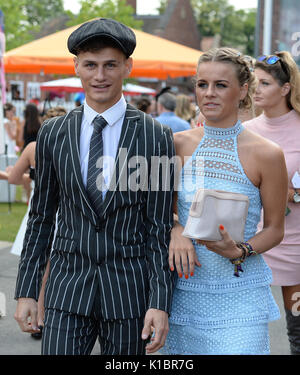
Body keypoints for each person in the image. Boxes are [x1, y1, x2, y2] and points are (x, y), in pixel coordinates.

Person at [14, 18, 175, 355]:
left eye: (110, 65)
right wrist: (27, 290)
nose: (99, 76)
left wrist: (160, 302)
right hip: (67, 290)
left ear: (127, 67)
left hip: (130, 294)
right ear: (76, 67)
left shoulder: (155, 135)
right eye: (90, 65)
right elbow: (41, 218)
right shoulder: (53, 133)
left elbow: (159, 226)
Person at [161, 47, 288, 355]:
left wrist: (240, 250)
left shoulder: (268, 154)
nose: (209, 94)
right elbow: (156, 211)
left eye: (221, 85)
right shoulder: (174, 144)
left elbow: (274, 228)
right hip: (181, 292)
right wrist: (176, 228)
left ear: (243, 89)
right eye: (202, 84)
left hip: (240, 293)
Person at [244, 51, 300, 355]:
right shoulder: (247, 131)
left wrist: (294, 195)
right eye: (255, 82)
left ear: (285, 88)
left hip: (297, 245)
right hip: (256, 242)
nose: (256, 89)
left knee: (298, 330)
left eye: (264, 83)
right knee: (248, 326)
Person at [8, 106, 67, 339]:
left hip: (40, 209)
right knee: (58, 267)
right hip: (67, 209)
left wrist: (26, 175)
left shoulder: (34, 147)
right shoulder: (70, 143)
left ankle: (39, 317)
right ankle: (52, 314)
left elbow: (13, 178)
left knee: (40, 267)